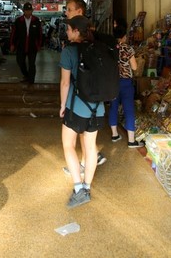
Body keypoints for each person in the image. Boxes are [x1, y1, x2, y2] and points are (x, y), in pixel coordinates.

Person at [60, 15, 105, 208]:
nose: (67, 32)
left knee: (68, 145)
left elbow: (65, 83)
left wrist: (62, 105)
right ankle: (87, 186)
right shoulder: (100, 48)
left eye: (69, 29)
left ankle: (79, 189)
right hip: (98, 107)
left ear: (77, 31)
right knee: (91, 147)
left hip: (76, 106)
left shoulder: (69, 51)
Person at [109, 25, 141, 147]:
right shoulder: (127, 48)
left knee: (113, 107)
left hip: (113, 82)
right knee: (129, 109)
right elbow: (134, 67)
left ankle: (114, 135)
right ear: (123, 37)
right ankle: (131, 141)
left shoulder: (110, 48)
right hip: (126, 83)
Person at [9, 2, 42, 84]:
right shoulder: (18, 21)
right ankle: (26, 75)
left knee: (32, 64)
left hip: (32, 46)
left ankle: (31, 81)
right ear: (24, 11)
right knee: (20, 61)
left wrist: (39, 45)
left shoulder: (36, 20)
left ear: (32, 11)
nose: (28, 12)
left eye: (29, 10)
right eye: (26, 10)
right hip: (21, 45)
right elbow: (14, 33)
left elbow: (40, 34)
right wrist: (12, 44)